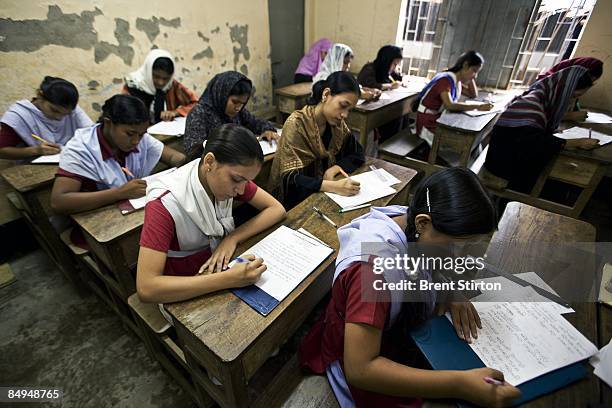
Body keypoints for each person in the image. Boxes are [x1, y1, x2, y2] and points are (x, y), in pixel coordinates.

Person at [299, 167, 522, 407]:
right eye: (459, 246)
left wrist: (449, 290)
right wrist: (459, 384)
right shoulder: (373, 274)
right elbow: (361, 369)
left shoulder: (411, 222)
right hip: (362, 350)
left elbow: (422, 267)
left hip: (380, 326)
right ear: (423, 223)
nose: (463, 258)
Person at [136, 123, 286, 303]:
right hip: (183, 292)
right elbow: (146, 288)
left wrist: (232, 238)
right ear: (209, 162)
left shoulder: (230, 178)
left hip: (219, 272)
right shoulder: (164, 204)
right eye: (237, 180)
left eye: (246, 182)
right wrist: (228, 279)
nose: (241, 190)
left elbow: (277, 209)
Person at [50, 94, 185, 214]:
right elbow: (59, 202)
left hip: (134, 210)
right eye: (130, 134)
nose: (136, 141)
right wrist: (119, 193)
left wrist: (193, 164)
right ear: (108, 123)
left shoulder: (139, 137)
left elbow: (174, 157)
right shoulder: (80, 149)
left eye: (141, 134)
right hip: (98, 218)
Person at [483, 64, 601, 193]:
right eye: (572, 95)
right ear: (563, 89)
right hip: (502, 168)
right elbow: (535, 144)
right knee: (562, 186)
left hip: (509, 160)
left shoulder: (542, 95)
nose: (572, 101)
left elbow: (530, 137)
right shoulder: (533, 105)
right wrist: (578, 142)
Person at [268, 71, 365, 209]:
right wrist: (333, 186)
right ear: (326, 95)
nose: (344, 115)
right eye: (343, 105)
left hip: (322, 194)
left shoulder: (337, 125)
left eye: (350, 110)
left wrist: (335, 168)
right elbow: (291, 180)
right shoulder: (297, 124)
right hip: (294, 203)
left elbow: (358, 153)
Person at [183, 71, 279, 159]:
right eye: (235, 102)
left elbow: (255, 122)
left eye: (242, 103)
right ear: (222, 95)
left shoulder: (238, 112)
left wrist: (267, 129)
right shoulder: (199, 113)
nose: (238, 108)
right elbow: (193, 151)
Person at [0, 76, 93, 160]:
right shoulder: (19, 116)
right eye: (54, 110)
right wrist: (35, 150)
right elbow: (2, 151)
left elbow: (92, 133)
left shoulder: (71, 109)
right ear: (40, 95)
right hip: (34, 168)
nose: (59, 117)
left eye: (65, 114)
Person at [415, 51, 493, 147]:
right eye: (474, 70)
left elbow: (473, 94)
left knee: (469, 142)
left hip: (437, 120)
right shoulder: (445, 79)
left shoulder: (456, 80)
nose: (475, 75)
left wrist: (471, 76)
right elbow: (449, 105)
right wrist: (478, 106)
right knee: (463, 144)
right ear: (465, 65)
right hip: (427, 123)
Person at [123, 49, 198, 124]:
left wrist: (175, 112)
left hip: (164, 132)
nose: (161, 83)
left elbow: (197, 104)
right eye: (156, 76)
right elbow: (124, 112)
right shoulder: (133, 85)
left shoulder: (172, 85)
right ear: (148, 71)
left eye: (166, 78)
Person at [535, 57, 603, 122]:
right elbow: (535, 116)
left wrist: (573, 100)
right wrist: (569, 116)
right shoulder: (544, 88)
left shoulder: (569, 89)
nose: (587, 83)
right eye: (587, 77)